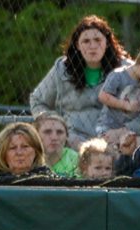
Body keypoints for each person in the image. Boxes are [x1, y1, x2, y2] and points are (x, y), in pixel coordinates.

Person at [30, 15, 132, 150]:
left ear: (107, 43)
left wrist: (124, 131)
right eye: (86, 41)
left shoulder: (127, 70)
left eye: (97, 40)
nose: (92, 46)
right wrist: (54, 125)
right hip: (72, 142)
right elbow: (37, 100)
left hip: (114, 142)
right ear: (77, 45)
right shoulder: (63, 69)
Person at [33, 112, 79, 177]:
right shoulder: (28, 157)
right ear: (36, 135)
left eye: (60, 132)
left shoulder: (76, 160)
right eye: (47, 132)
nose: (54, 138)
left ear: (67, 136)